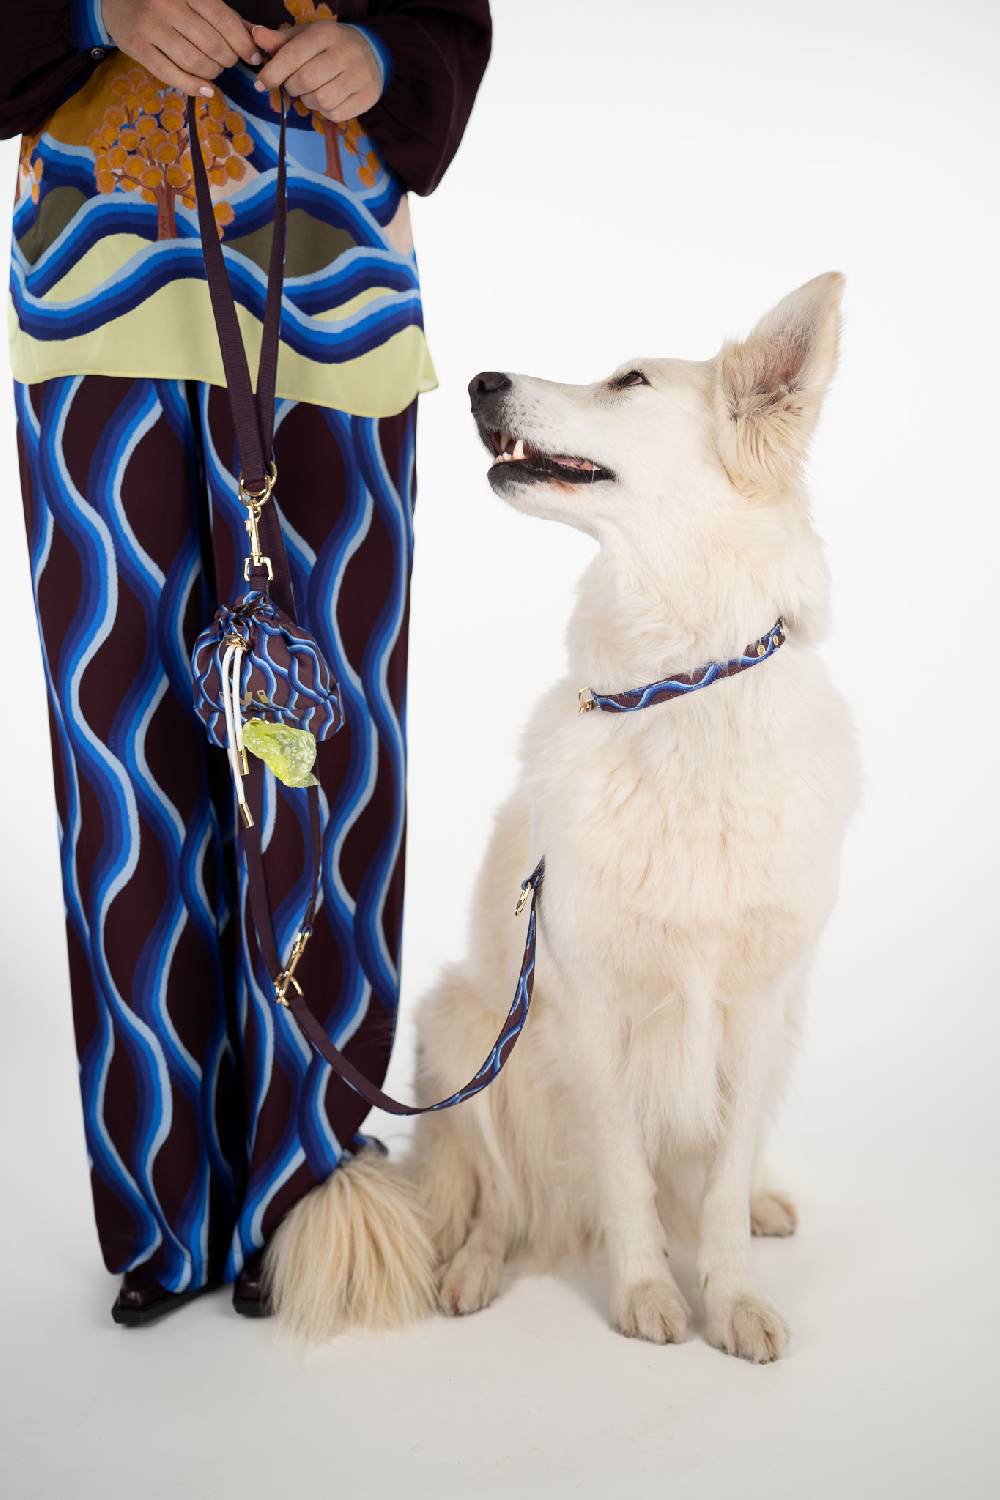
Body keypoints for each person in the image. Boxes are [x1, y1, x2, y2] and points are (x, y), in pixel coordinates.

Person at [2, 0, 491, 1326]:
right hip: (97, 302)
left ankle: (307, 1190)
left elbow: (450, 19)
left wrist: (385, 54)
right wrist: (95, 11)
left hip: (330, 299)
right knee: (127, 768)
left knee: (321, 755)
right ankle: (166, 1208)